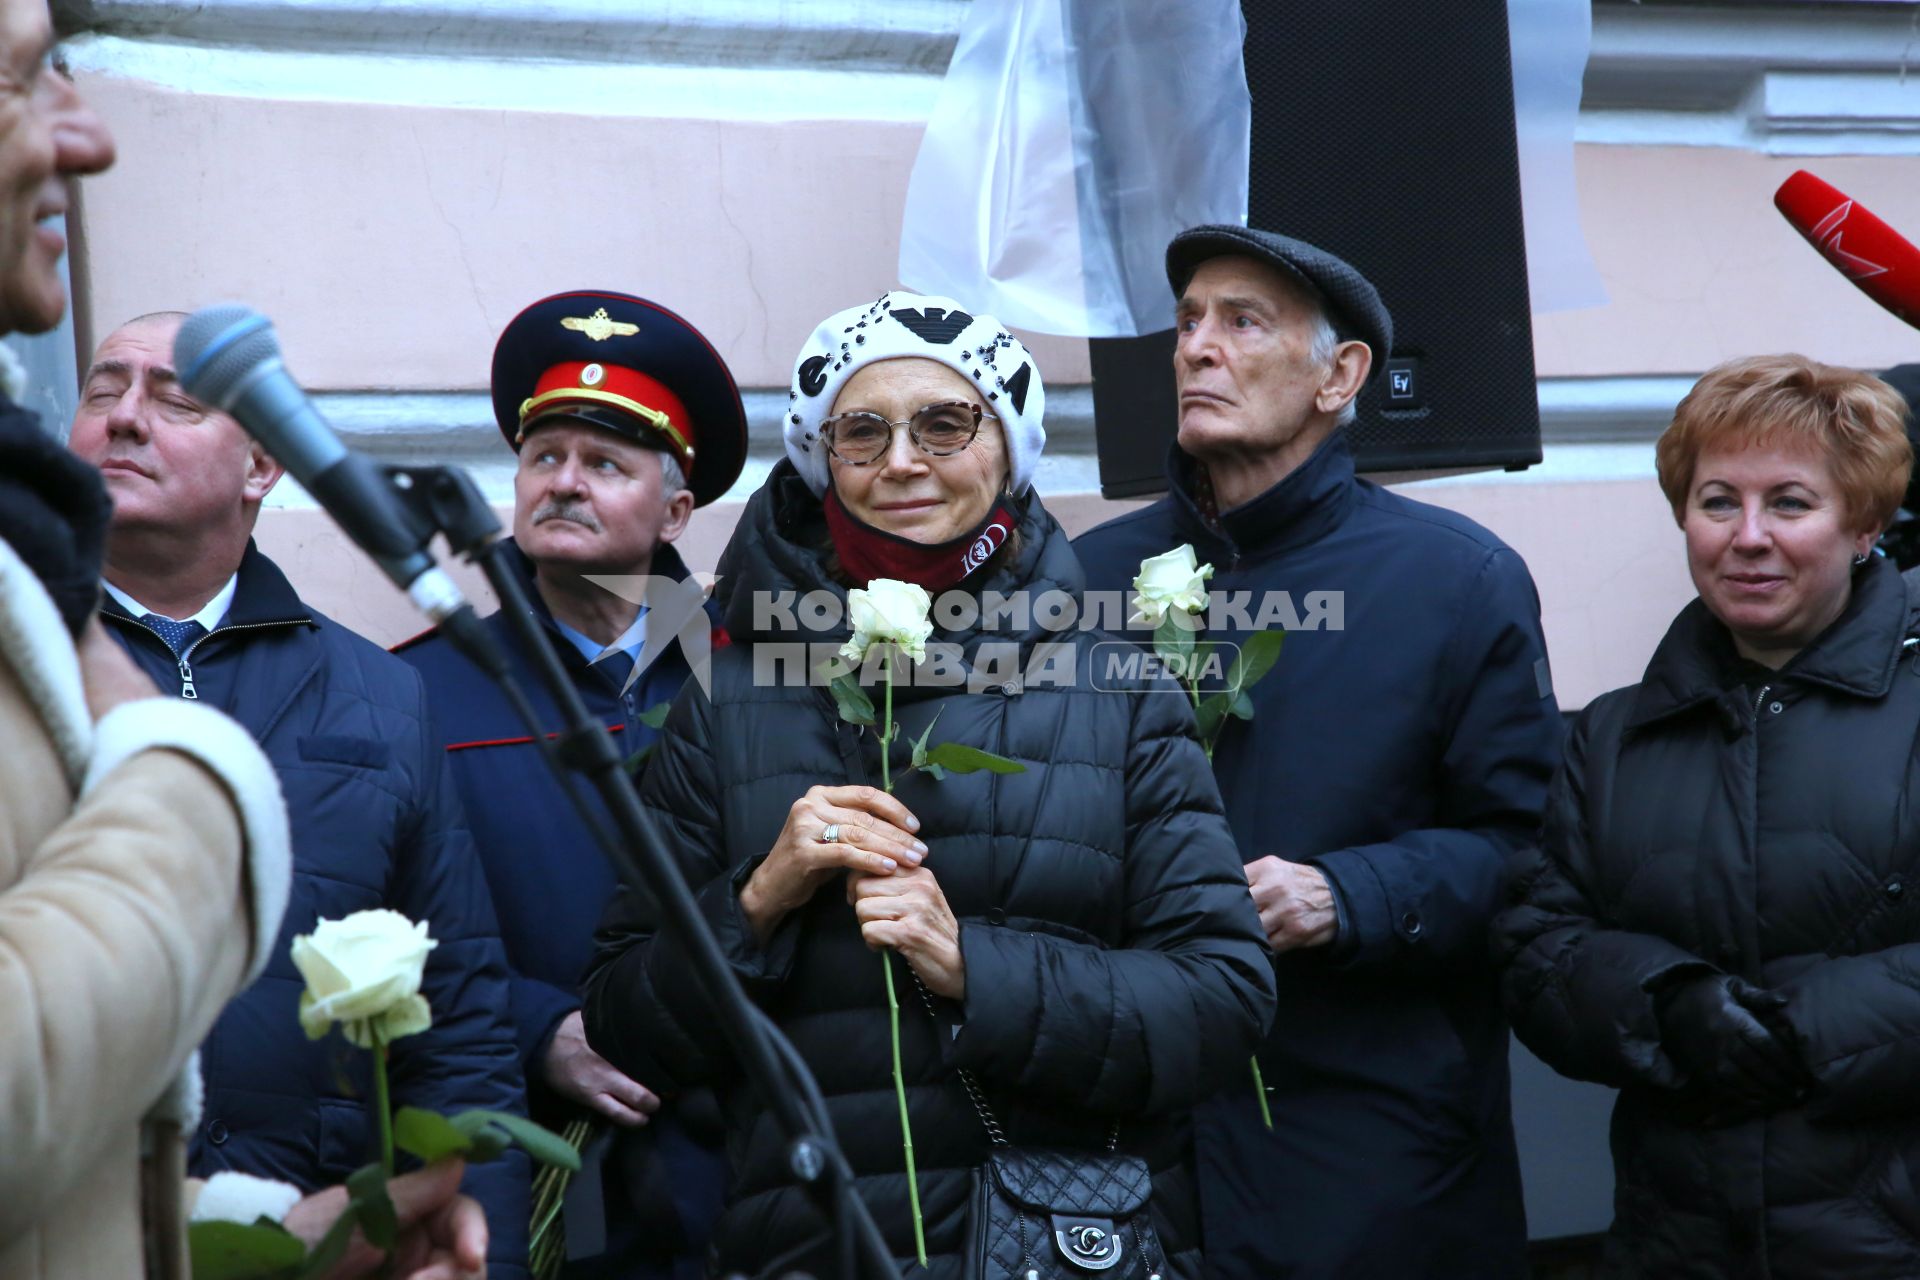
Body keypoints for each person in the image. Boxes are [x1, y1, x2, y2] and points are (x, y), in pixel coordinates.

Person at [581, 289, 1277, 1278]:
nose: (902, 459)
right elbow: (624, 1018)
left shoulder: (1114, 687)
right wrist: (759, 899)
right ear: (825, 460)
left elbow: (1222, 997)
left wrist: (973, 969)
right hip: (814, 1250)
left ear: (1009, 447)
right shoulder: (729, 692)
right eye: (861, 432)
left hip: (1062, 1247)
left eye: (945, 422)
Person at [1072, 225, 1562, 1279]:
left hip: (1371, 1158)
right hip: (1134, 1148)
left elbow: (1529, 852)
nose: (1198, 346)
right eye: (1188, 321)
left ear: (1340, 374)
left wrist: (1347, 894)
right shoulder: (1083, 579)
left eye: (1243, 321)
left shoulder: (1457, 580)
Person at [66, 309, 533, 1277]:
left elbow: (462, 1021)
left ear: (262, 467)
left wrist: (476, 1237)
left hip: (331, 1240)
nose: (123, 416)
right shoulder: (21, 666)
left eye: (176, 398)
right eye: (102, 388)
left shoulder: (379, 693)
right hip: (66, 1229)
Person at [1497, 354, 1920, 1277]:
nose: (1749, 536)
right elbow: (1535, 950)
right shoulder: (1612, 736)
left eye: (1792, 504)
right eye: (1718, 500)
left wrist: (1807, 1034)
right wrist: (1670, 1006)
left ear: (1866, 525)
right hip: (1675, 1248)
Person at [397, 289, 746, 1279]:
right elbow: (374, 925)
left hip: (747, 1180)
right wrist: (534, 1027)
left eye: (604, 463)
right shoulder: (420, 689)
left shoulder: (758, 675)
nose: (564, 483)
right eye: (543, 457)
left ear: (676, 509)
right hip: (531, 1171)